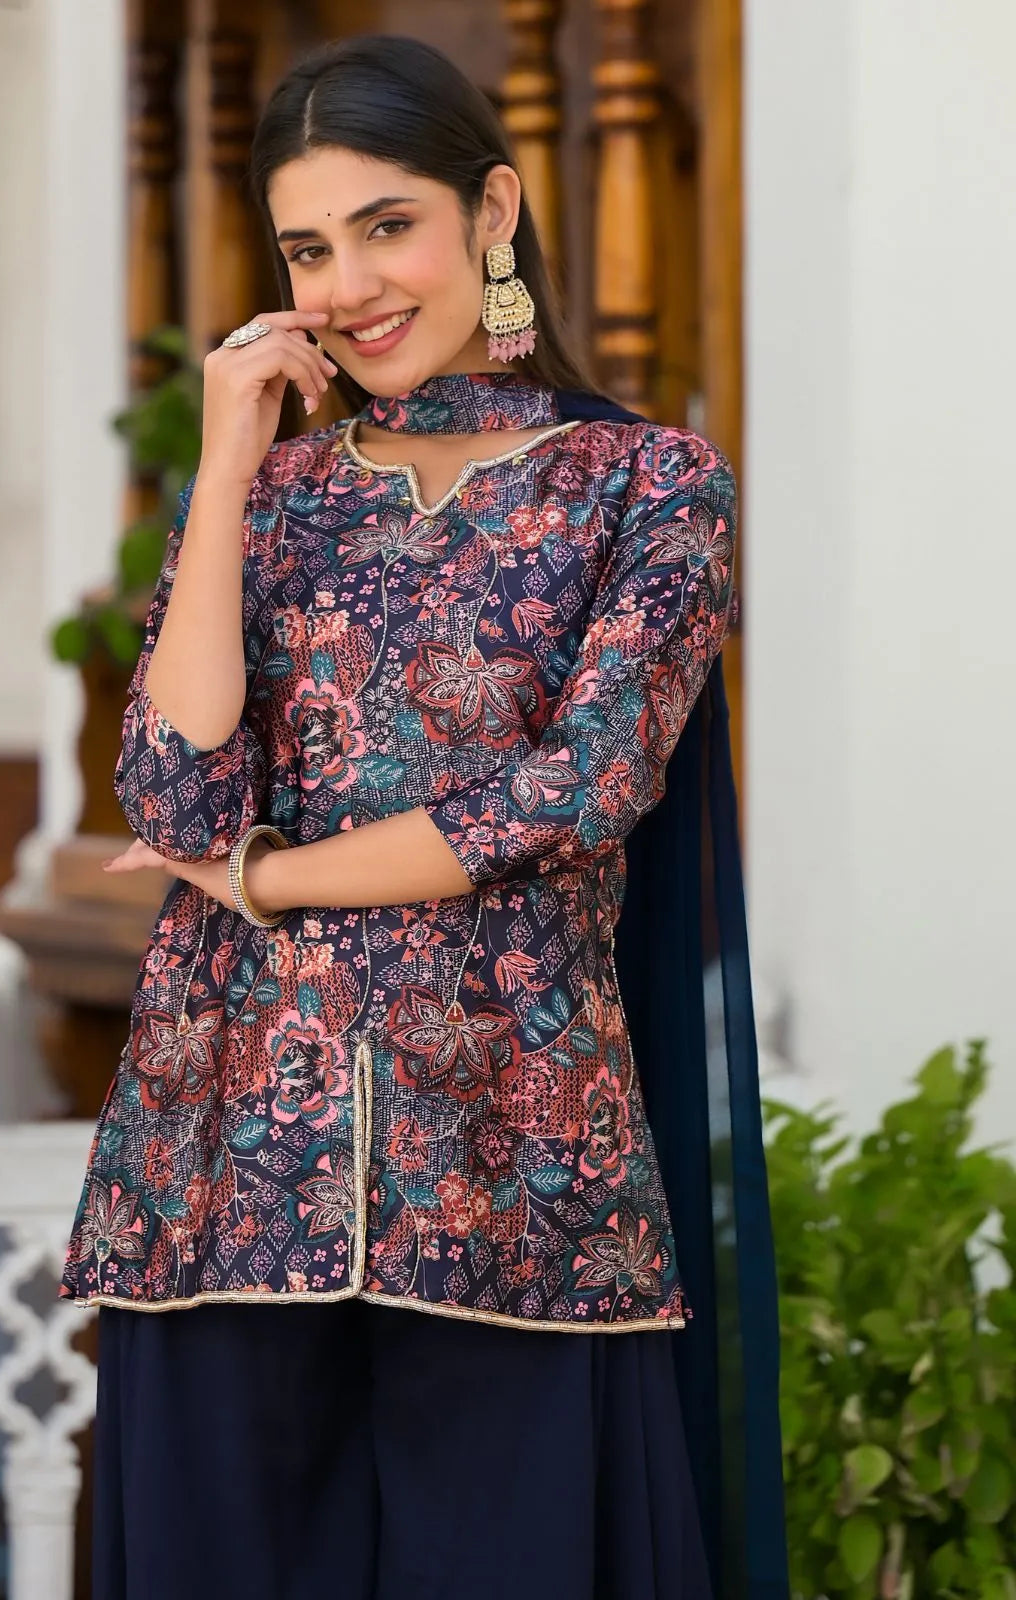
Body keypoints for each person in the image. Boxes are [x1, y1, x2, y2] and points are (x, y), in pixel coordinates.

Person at [60, 33, 788, 1600]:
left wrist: (265, 881)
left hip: (516, 1174)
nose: (349, 286)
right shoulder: (272, 500)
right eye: (308, 249)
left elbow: (578, 789)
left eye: (387, 225)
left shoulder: (648, 487)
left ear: (493, 210)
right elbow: (175, 791)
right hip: (226, 1167)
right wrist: (227, 468)